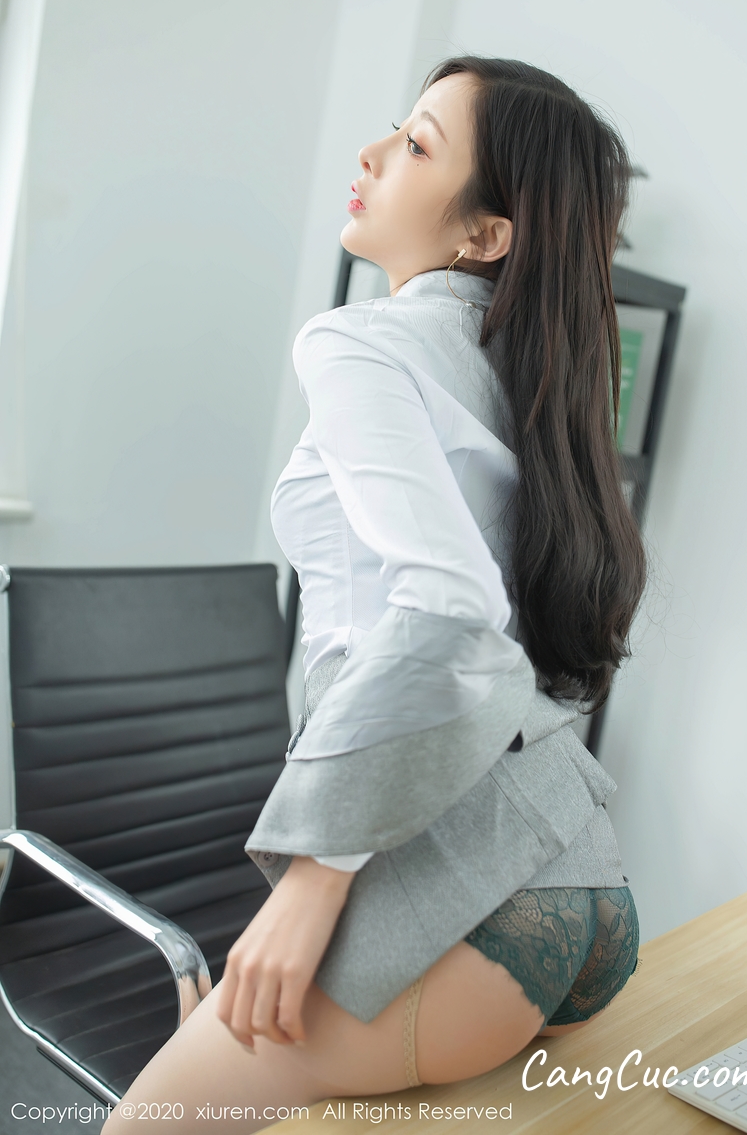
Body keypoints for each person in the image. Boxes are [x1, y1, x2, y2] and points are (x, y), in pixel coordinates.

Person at [102, 57, 646, 1132]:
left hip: (456, 896)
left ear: (484, 233)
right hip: (583, 888)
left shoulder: (357, 343)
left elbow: (450, 610)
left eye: (416, 143)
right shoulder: (536, 379)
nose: (371, 151)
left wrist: (313, 882)